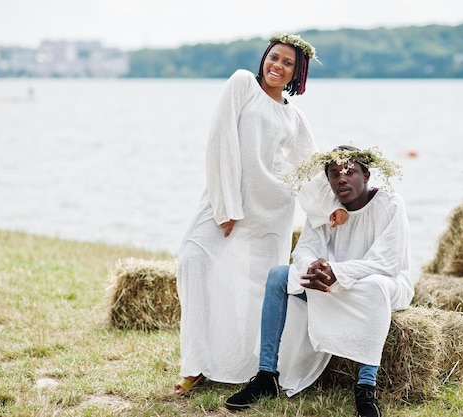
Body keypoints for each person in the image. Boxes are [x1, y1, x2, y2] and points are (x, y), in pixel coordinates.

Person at [175, 33, 344, 396]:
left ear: (297, 75)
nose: (277, 66)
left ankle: (256, 366)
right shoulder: (241, 85)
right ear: (265, 57)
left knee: (257, 290)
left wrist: (337, 207)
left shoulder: (294, 116)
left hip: (272, 209)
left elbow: (309, 168)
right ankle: (196, 364)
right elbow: (219, 141)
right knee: (193, 259)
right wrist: (226, 206)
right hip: (227, 201)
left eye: (288, 63)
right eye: (274, 57)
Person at [224, 145, 414, 417]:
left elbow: (387, 262)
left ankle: (365, 388)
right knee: (279, 275)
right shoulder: (326, 208)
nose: (341, 179)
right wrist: (312, 267)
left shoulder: (390, 203)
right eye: (334, 174)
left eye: (350, 172)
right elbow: (304, 250)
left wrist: (337, 271)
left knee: (375, 286)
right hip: (330, 283)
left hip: (381, 283)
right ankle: (266, 376)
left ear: (367, 175)